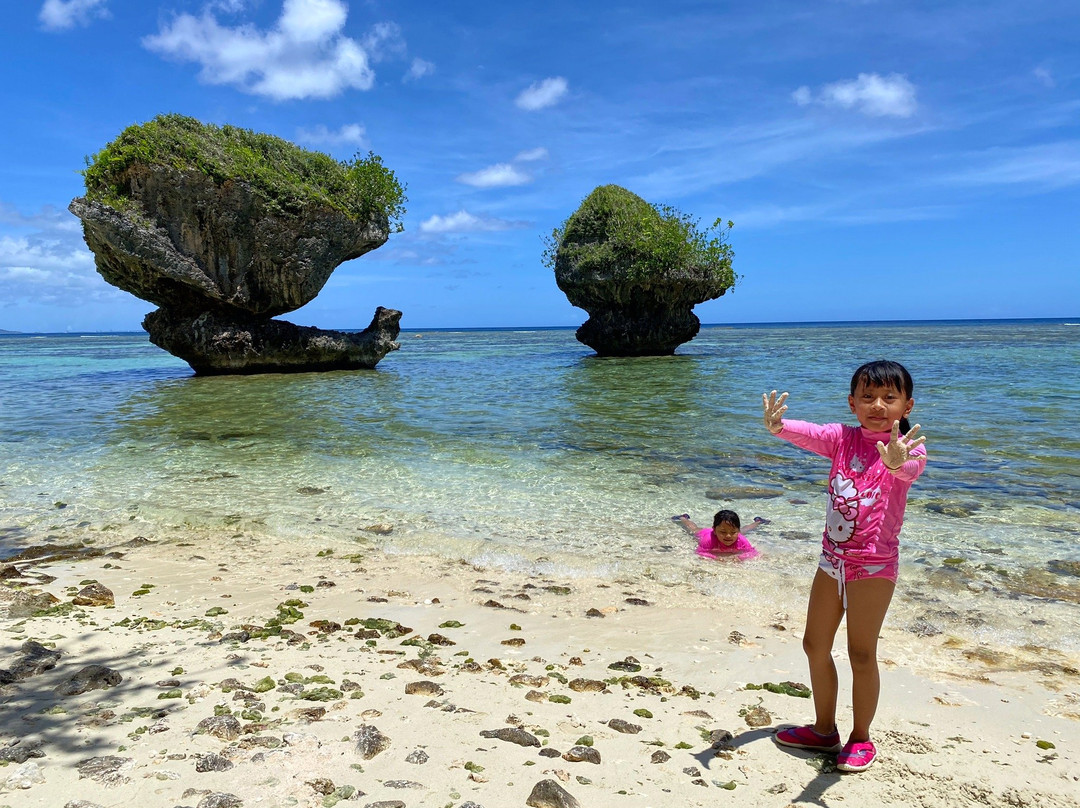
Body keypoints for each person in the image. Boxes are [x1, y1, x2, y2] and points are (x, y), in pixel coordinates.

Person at [762, 359, 927, 773]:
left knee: (860, 653)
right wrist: (779, 427)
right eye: (867, 397)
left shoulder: (911, 447)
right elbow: (811, 433)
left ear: (907, 406)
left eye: (890, 397)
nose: (878, 405)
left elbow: (909, 469)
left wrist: (894, 461)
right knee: (814, 645)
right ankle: (823, 730)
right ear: (852, 403)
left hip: (873, 567)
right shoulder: (842, 439)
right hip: (830, 562)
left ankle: (860, 737)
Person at [672, 510, 763, 560]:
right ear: (714, 530)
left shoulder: (740, 538)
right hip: (705, 533)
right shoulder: (708, 540)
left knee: (744, 530)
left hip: (736, 532)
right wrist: (715, 557)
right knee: (694, 529)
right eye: (723, 532)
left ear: (737, 531)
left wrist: (740, 557)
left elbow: (753, 552)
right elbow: (700, 552)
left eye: (733, 532)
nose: (728, 536)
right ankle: (683, 518)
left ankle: (758, 521)